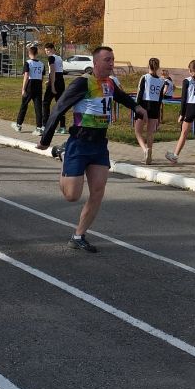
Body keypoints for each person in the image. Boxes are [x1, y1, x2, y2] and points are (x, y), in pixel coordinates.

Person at [38, 45, 147, 253]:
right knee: (72, 196)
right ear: (95, 62)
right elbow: (59, 107)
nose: (112, 64)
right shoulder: (83, 82)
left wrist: (137, 107)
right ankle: (63, 153)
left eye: (113, 59)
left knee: (97, 191)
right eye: (107, 60)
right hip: (79, 143)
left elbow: (121, 96)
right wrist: (46, 139)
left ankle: (78, 236)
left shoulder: (110, 83)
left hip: (99, 146)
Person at [164, 59, 195, 170]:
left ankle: (175, 156)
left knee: (183, 134)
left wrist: (181, 114)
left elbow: (183, 99)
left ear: (190, 70)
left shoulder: (187, 81)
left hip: (190, 108)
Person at [134, 57, 170, 165]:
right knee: (150, 132)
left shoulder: (145, 77)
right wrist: (158, 112)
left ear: (148, 66)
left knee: (138, 131)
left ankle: (145, 150)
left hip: (144, 105)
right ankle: (150, 154)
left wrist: (136, 107)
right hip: (155, 107)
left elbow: (139, 94)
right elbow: (160, 98)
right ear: (158, 67)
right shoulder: (161, 81)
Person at [12, 44, 44, 135]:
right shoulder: (41, 64)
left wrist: (23, 89)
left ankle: (18, 125)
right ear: (37, 53)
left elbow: (26, 75)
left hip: (30, 85)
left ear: (29, 53)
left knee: (24, 105)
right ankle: (39, 128)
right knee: (38, 107)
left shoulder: (28, 63)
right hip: (38, 85)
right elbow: (42, 76)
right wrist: (40, 87)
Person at [43, 42, 66, 135]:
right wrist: (49, 80)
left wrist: (52, 85)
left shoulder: (51, 58)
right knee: (60, 104)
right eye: (46, 51)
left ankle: (45, 125)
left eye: (48, 50)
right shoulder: (59, 57)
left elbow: (53, 71)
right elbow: (59, 71)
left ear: (53, 49)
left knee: (45, 103)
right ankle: (62, 127)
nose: (47, 52)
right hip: (61, 81)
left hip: (55, 82)